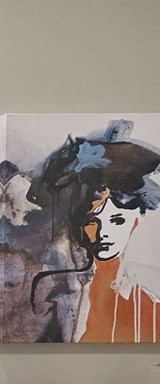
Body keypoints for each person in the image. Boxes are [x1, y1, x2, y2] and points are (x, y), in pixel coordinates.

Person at [29, 136, 160, 342]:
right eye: (91, 221)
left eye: (117, 220)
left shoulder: (148, 287)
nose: (103, 233)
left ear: (138, 218)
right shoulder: (58, 285)